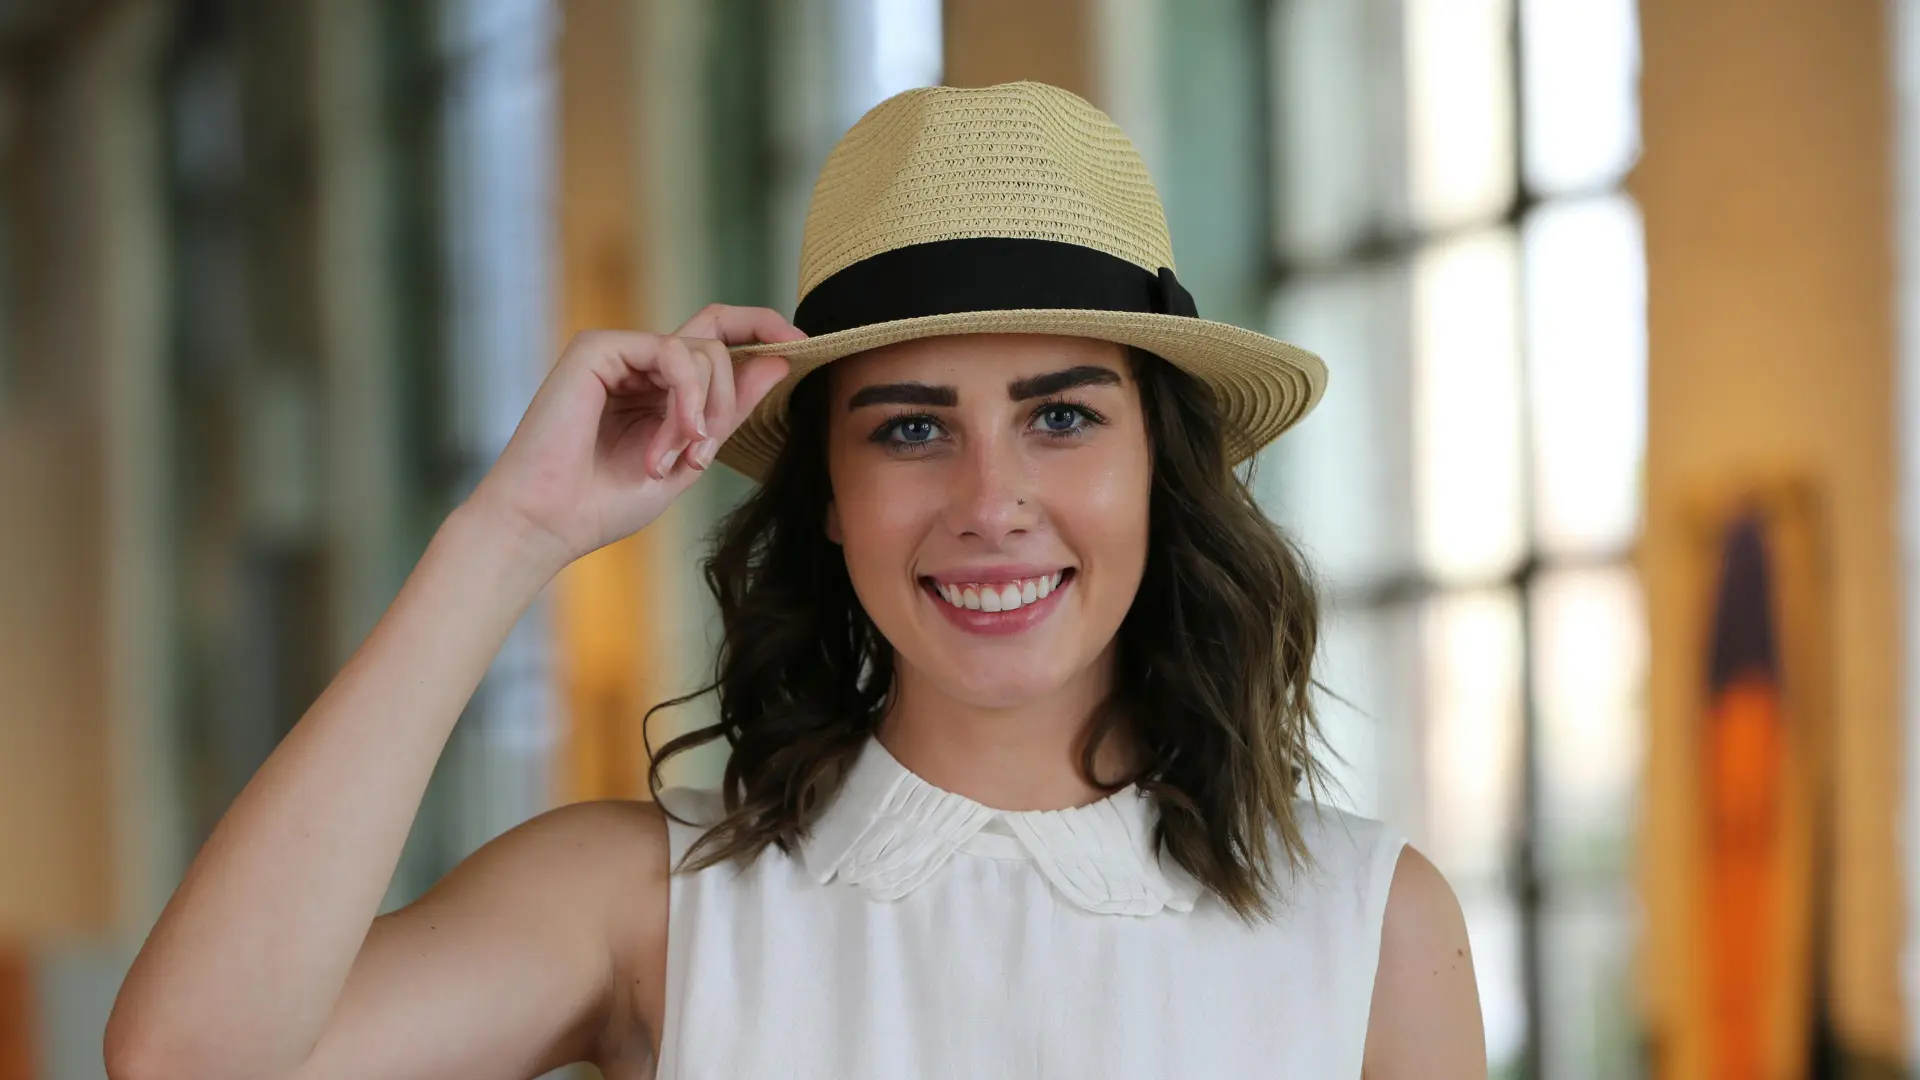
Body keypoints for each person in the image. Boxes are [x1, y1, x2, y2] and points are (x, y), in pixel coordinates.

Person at [104, 81, 1484, 1080]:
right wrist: (507, 535)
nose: (990, 501)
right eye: (910, 428)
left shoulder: (1371, 928)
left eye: (1063, 416)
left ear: (1158, 471)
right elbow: (189, 1057)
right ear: (828, 500)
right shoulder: (648, 900)